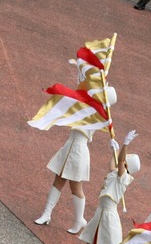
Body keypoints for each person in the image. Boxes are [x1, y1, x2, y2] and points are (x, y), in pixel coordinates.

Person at [63, 130, 140, 244]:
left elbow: (119, 162)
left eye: (125, 160)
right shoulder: (116, 173)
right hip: (100, 214)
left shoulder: (125, 178)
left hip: (109, 217)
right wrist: (113, 146)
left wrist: (124, 144)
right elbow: (114, 162)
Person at [34, 86, 117, 233]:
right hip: (70, 145)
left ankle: (79, 220)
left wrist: (114, 145)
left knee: (76, 187)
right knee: (58, 180)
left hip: (79, 150)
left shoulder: (98, 115)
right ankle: (46, 214)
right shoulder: (88, 107)